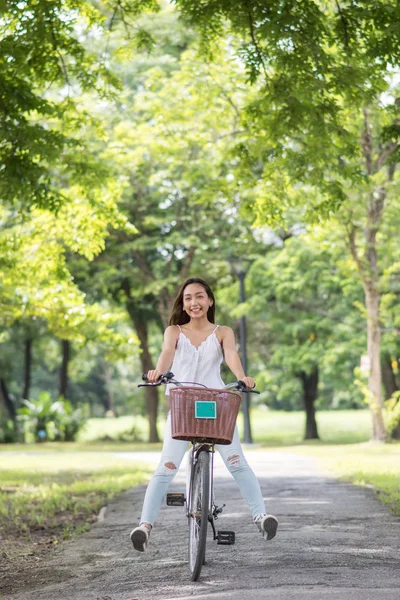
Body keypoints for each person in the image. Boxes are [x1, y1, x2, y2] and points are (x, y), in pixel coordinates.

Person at [130, 277, 278, 552]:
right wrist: (157, 373)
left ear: (209, 300)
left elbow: (231, 354)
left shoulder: (223, 332)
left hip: (216, 405)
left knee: (237, 462)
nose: (194, 302)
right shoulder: (173, 331)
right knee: (166, 467)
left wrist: (242, 377)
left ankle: (261, 517)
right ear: (183, 304)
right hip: (182, 405)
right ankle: (144, 527)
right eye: (188, 298)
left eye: (199, 296)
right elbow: (165, 355)